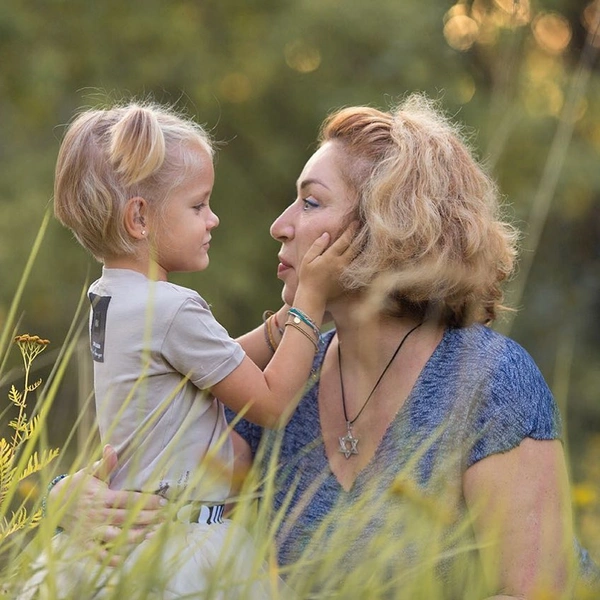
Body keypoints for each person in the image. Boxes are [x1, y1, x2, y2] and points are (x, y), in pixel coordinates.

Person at [43, 93, 595, 599]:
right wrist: (66, 497)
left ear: (387, 225)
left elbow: (536, 590)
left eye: (310, 203)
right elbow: (157, 443)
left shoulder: (486, 380)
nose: (279, 227)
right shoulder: (284, 380)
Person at [18, 101, 354, 600]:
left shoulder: (110, 299)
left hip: (130, 536)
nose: (213, 219)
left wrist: (282, 326)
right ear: (140, 218)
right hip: (185, 541)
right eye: (198, 206)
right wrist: (311, 299)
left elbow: (202, 371)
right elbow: (272, 403)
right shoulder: (173, 308)